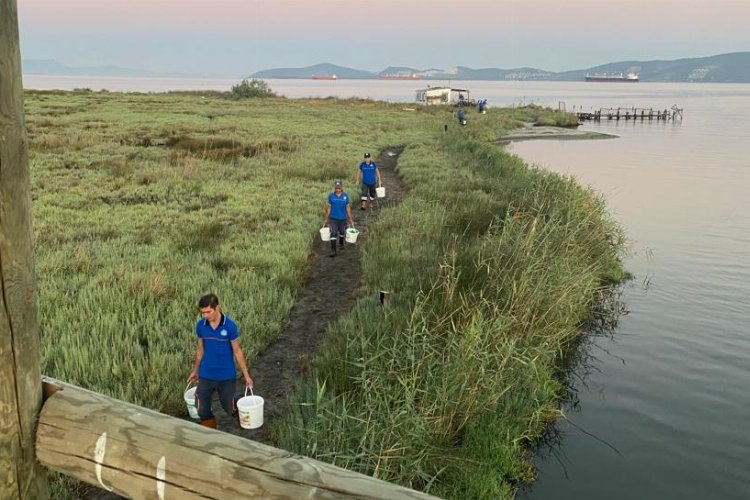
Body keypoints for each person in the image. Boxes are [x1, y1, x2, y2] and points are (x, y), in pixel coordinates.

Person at [188, 293, 253, 429]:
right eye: (203, 313)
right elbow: (200, 350)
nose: (205, 315)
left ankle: (236, 400)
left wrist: (246, 376)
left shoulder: (229, 326)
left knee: (229, 409)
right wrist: (195, 370)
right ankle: (212, 435)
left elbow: (237, 352)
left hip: (225, 375)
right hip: (206, 374)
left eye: (208, 312)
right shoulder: (201, 326)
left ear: (217, 308)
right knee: (202, 410)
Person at [324, 180, 354, 257]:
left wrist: (350, 219)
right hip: (333, 218)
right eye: (336, 188)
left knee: (342, 231)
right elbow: (329, 208)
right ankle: (333, 251)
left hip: (343, 218)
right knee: (333, 233)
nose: (337, 190)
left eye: (339, 188)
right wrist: (327, 218)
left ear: (341, 188)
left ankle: (341, 243)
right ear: (334, 188)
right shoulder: (331, 196)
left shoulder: (345, 196)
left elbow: (347, 207)